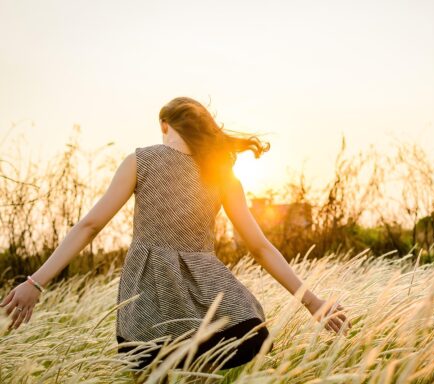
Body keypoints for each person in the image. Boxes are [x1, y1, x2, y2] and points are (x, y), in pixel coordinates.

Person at [0, 97, 351, 382]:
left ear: (166, 125)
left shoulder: (142, 160)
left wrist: (36, 281)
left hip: (147, 297)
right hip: (207, 299)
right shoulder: (221, 176)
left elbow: (91, 225)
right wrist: (313, 303)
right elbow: (260, 247)